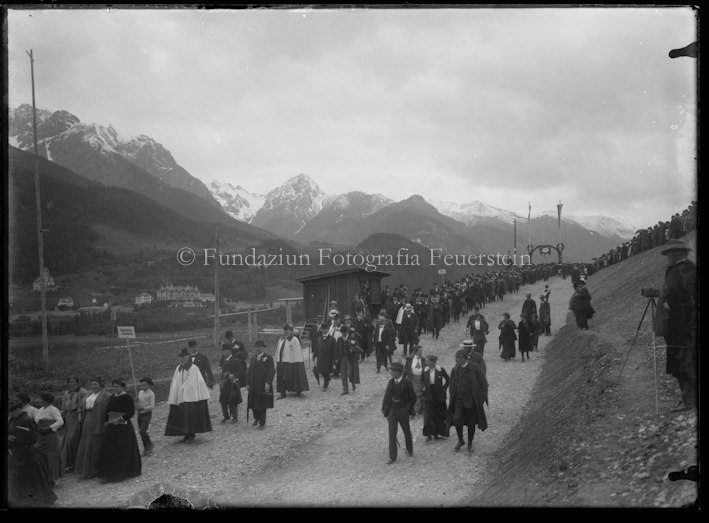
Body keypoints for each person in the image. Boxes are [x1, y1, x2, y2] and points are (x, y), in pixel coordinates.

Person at [654, 239, 697, 412]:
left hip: (678, 326)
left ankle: (689, 401)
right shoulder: (692, 269)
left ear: (673, 256)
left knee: (681, 363)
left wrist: (664, 305)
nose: (667, 259)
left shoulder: (673, 272)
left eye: (668, 256)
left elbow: (672, 294)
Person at [8, 398, 57, 507]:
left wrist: (14, 439)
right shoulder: (12, 420)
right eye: (9, 412)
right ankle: (21, 501)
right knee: (17, 481)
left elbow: (33, 439)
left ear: (18, 409)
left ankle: (37, 501)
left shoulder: (26, 420)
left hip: (26, 456)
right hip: (15, 455)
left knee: (29, 482)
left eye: (12, 411)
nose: (10, 414)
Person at [97, 379, 142, 482]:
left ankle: (123, 473)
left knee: (122, 449)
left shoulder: (127, 398)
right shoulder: (113, 397)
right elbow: (108, 410)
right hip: (112, 425)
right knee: (109, 448)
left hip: (123, 427)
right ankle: (108, 474)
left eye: (117, 386)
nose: (115, 388)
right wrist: (106, 420)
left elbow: (130, 412)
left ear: (122, 387)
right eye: (113, 386)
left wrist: (120, 419)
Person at [165, 348, 213, 443]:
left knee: (190, 414)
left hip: (190, 397)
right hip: (180, 396)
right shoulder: (178, 368)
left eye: (183, 357)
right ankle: (185, 433)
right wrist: (176, 392)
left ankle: (191, 433)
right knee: (182, 414)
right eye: (180, 357)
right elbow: (175, 382)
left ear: (188, 357)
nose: (181, 359)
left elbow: (194, 382)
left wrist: (184, 390)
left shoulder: (193, 368)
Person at [445, 350, 488, 453]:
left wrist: (481, 398)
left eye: (457, 358)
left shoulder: (475, 368)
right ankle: (460, 440)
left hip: (471, 401)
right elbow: (451, 384)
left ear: (463, 358)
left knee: (471, 423)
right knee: (457, 420)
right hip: (459, 401)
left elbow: (483, 383)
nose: (456, 359)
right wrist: (452, 395)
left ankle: (470, 442)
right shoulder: (455, 369)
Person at [75, 377, 112, 479]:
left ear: (101, 385)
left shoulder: (106, 395)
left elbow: (111, 409)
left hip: (99, 420)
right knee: (86, 444)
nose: (93, 386)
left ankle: (95, 470)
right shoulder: (88, 394)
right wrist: (80, 415)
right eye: (92, 384)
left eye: (96, 384)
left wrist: (109, 421)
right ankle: (85, 470)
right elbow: (81, 406)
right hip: (87, 420)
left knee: (95, 445)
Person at [381, 362, 415, 464]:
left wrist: (407, 409)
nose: (391, 373)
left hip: (403, 411)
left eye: (393, 371)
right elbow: (387, 397)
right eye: (391, 371)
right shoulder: (391, 382)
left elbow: (413, 398)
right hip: (392, 411)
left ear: (399, 372)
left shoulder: (407, 382)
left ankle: (410, 450)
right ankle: (392, 456)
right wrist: (386, 411)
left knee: (406, 430)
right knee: (392, 433)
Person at [34, 392, 64, 487]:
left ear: (46, 400)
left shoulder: (53, 409)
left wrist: (49, 428)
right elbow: (36, 421)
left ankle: (51, 480)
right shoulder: (40, 410)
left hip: (50, 436)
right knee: (41, 456)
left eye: (42, 399)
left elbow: (60, 421)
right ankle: (43, 478)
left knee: (50, 457)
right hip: (40, 436)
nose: (40, 401)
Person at [60, 376, 88, 473]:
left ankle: (78, 463)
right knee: (66, 440)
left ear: (77, 382)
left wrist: (82, 415)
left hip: (77, 416)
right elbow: (63, 406)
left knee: (74, 439)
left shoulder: (82, 391)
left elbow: (86, 403)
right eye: (70, 382)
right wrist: (61, 416)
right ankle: (70, 464)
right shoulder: (66, 393)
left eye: (73, 382)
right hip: (68, 416)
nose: (72, 384)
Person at [275, 324, 310, 399]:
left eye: (287, 330)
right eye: (284, 330)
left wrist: (298, 362)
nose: (285, 331)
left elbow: (297, 352)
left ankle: (297, 390)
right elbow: (278, 351)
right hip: (282, 361)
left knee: (292, 375)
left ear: (291, 331)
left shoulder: (294, 340)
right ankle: (282, 392)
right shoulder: (281, 340)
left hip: (292, 361)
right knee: (281, 376)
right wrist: (277, 360)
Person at [247, 340, 275, 430]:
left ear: (263, 348)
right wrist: (248, 383)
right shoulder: (253, 359)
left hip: (263, 385)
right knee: (253, 403)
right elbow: (250, 371)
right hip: (254, 385)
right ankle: (257, 418)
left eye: (259, 346)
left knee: (262, 404)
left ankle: (262, 423)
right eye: (256, 346)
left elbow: (271, 371)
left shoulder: (268, 358)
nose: (257, 348)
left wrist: (268, 383)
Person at [421, 354, 449, 442]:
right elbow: (421, 380)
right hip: (428, 395)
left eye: (427, 361)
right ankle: (429, 434)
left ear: (433, 362)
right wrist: (423, 387)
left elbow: (448, 379)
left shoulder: (440, 370)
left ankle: (436, 433)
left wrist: (444, 388)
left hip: (438, 395)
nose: (426, 363)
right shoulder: (425, 370)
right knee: (428, 415)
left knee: (438, 415)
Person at [219, 342, 243, 423]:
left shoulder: (235, 361)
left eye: (224, 351)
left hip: (233, 384)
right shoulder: (223, 360)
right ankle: (226, 415)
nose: (223, 352)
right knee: (223, 399)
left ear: (230, 351)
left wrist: (234, 375)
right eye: (222, 351)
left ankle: (235, 416)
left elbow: (241, 372)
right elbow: (222, 371)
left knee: (233, 400)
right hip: (225, 383)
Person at [339, 326, 363, 395]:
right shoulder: (340, 339)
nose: (344, 333)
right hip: (342, 358)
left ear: (347, 332)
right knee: (343, 374)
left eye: (345, 332)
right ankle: (345, 390)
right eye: (342, 332)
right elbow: (338, 350)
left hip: (350, 358)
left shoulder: (352, 339)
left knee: (349, 373)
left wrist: (352, 349)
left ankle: (353, 383)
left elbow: (356, 347)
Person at [313, 322, 336, 391]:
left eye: (325, 329)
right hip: (320, 358)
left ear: (328, 329)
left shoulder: (332, 339)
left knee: (326, 371)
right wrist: (314, 355)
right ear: (321, 330)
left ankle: (325, 386)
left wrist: (335, 359)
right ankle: (327, 378)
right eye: (323, 329)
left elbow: (334, 349)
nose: (324, 331)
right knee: (320, 370)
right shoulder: (319, 338)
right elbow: (316, 347)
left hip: (328, 358)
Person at [136, 377, 155, 456]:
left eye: (145, 385)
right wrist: (136, 401)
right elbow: (138, 402)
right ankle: (146, 447)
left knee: (142, 431)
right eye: (142, 385)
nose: (143, 387)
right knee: (141, 432)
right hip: (140, 413)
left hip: (147, 413)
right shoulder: (140, 392)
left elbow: (152, 406)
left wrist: (143, 408)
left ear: (149, 385)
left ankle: (150, 444)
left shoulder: (151, 394)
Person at [404, 345, 425, 417]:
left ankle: (418, 410)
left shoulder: (424, 360)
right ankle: (415, 410)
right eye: (420, 351)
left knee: (420, 394)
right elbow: (406, 369)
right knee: (414, 394)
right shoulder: (409, 359)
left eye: (421, 351)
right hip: (412, 378)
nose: (421, 352)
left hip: (421, 379)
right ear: (415, 352)